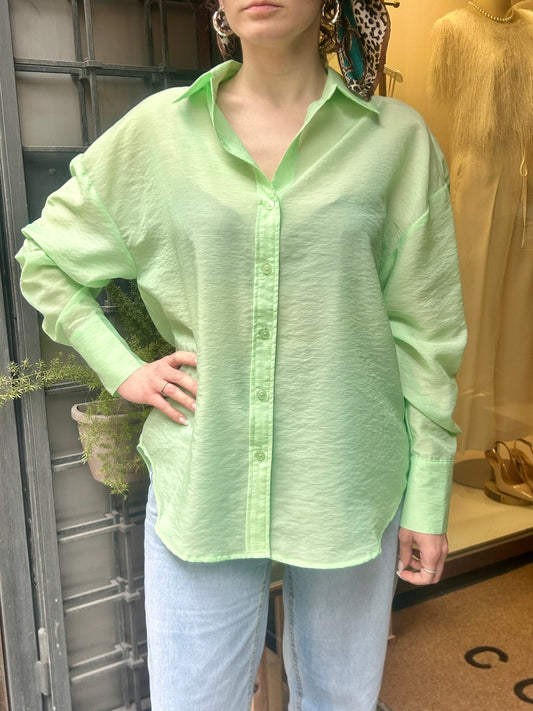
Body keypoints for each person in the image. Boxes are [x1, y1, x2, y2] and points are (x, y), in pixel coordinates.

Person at [16, 0, 466, 709]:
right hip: (206, 477)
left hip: (349, 475)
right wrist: (122, 368)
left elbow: (427, 330)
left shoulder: (396, 142)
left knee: (341, 701)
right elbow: (47, 259)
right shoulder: (159, 133)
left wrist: (429, 493)